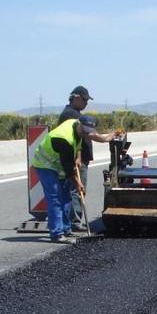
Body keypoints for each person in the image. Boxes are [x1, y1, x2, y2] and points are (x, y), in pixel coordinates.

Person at [30, 115, 113, 242]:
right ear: (79, 124)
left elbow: (78, 141)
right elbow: (69, 170)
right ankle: (56, 234)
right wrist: (78, 183)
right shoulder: (64, 139)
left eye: (88, 132)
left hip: (58, 163)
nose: (86, 133)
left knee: (66, 196)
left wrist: (78, 156)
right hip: (45, 164)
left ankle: (66, 229)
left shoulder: (75, 125)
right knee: (55, 197)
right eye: (84, 130)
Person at [58, 86, 100, 233]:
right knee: (77, 189)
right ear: (76, 97)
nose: (86, 103)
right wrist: (105, 138)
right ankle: (74, 221)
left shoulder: (74, 113)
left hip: (79, 158)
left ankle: (72, 221)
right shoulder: (70, 115)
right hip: (76, 160)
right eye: (84, 100)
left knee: (77, 189)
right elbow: (79, 137)